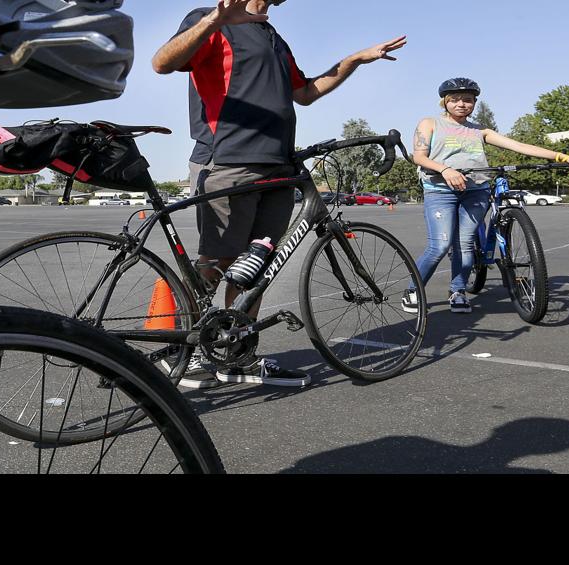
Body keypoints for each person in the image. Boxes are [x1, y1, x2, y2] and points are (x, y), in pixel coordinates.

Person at [153, 0, 406, 386]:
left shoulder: (271, 35)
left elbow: (303, 92)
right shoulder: (212, 19)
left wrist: (353, 60)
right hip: (229, 160)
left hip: (278, 164)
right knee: (218, 259)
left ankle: (237, 355)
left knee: (258, 265)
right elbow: (163, 63)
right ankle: (180, 351)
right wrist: (216, 18)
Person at [405, 78, 569, 314]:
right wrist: (445, 169)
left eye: (468, 100)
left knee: (465, 245)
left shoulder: (480, 130)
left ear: (474, 103)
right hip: (440, 191)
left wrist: (563, 157)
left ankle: (458, 290)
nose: (462, 104)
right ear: (445, 102)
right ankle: (412, 291)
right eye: (455, 100)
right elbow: (418, 156)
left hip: (476, 191)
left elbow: (519, 146)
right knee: (440, 245)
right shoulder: (429, 124)